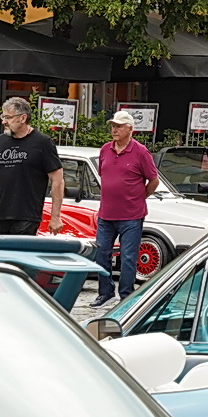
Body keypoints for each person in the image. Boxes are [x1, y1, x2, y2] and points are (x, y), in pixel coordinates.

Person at [92, 108, 158, 305]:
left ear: (130, 129)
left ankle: (126, 294)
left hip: (131, 215)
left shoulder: (140, 152)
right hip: (106, 214)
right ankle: (105, 292)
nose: (114, 130)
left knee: (128, 257)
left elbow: (153, 180)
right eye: (113, 126)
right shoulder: (105, 149)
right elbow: (104, 175)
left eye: (119, 126)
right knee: (101, 252)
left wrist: (139, 197)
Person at [0, 97, 65, 236]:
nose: (4, 121)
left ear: (23, 118)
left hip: (28, 215)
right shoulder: (0, 142)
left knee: (18, 255)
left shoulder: (42, 142)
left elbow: (57, 179)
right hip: (2, 215)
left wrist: (55, 217)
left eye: (8, 117)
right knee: (2, 256)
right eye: (3, 117)